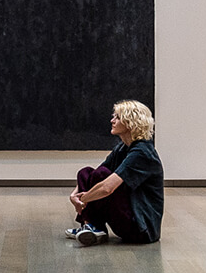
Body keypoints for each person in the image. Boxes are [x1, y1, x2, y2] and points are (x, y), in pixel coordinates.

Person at [66, 99, 164, 247]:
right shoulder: (123, 148)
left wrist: (84, 199)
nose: (112, 120)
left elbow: (107, 187)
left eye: (117, 117)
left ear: (131, 122)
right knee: (86, 173)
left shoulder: (143, 153)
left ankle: (93, 227)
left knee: (103, 178)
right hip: (128, 218)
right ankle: (92, 227)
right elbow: (94, 176)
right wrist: (74, 195)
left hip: (141, 229)